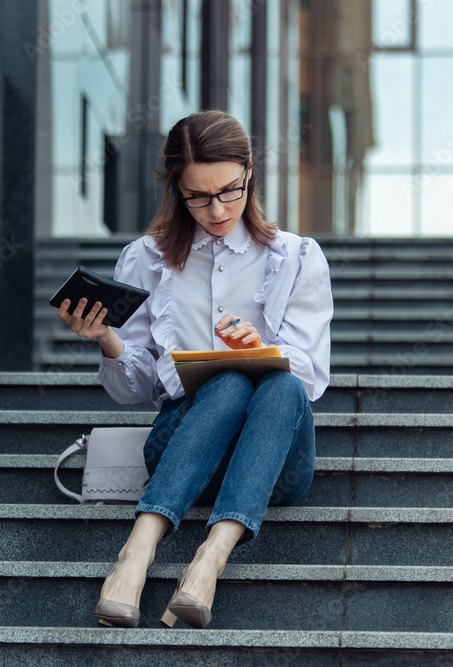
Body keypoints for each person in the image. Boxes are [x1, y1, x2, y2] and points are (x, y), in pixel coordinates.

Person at [57, 110, 332, 629]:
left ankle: (210, 558)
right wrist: (107, 339)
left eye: (230, 190)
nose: (218, 209)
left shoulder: (296, 258)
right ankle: (136, 554)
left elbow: (312, 376)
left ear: (250, 172)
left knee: (278, 383)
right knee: (226, 384)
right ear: (176, 190)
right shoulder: (145, 259)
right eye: (199, 196)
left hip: (274, 460)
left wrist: (258, 348)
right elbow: (133, 387)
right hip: (180, 447)